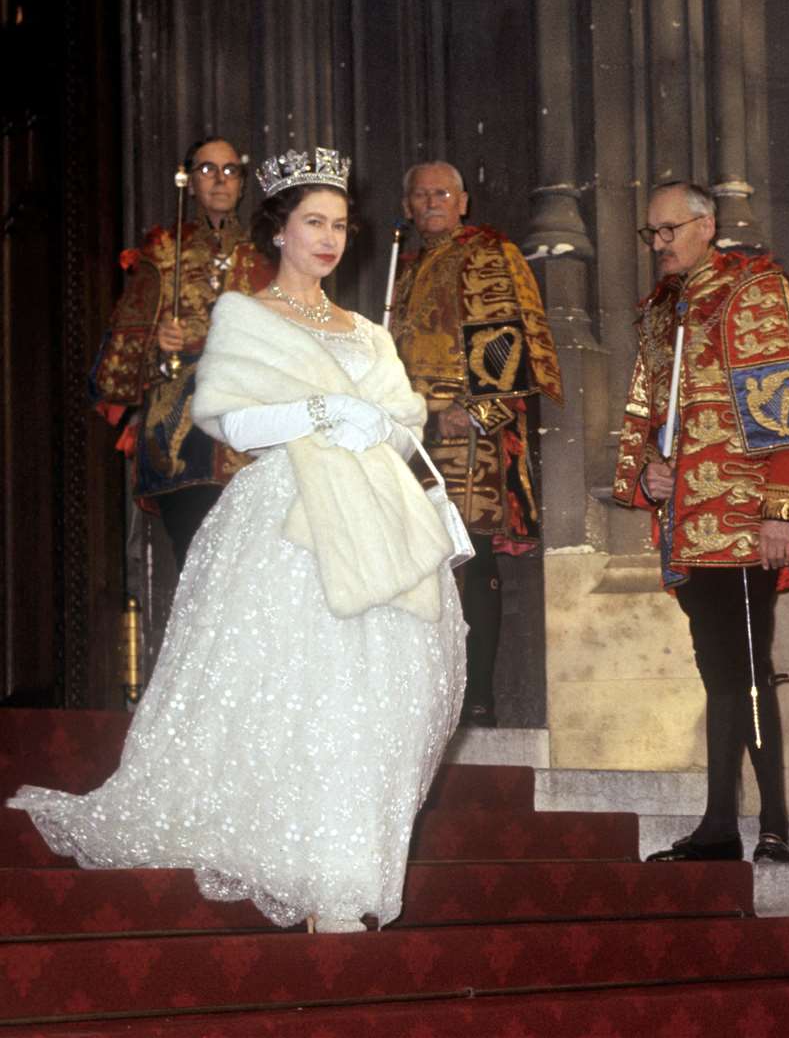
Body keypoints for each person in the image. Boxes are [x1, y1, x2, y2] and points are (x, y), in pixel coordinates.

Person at [9, 146, 467, 934]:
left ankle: (344, 875)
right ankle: (297, 859)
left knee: (369, 702)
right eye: (313, 222)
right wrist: (321, 415)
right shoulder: (245, 314)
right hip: (287, 516)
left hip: (376, 519)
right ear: (280, 231)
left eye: (340, 225)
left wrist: (379, 425)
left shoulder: (368, 330)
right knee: (298, 692)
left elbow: (402, 427)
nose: (328, 238)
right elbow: (225, 415)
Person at [613, 181, 789, 863]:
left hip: (745, 515)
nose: (659, 244)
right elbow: (647, 413)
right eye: (651, 233)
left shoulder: (753, 289)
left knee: (745, 667)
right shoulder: (659, 312)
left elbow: (787, 397)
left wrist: (782, 509)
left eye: (670, 230)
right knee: (717, 670)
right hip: (688, 520)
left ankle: (773, 824)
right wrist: (649, 472)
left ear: (707, 225)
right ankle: (718, 823)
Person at [390, 160, 563, 726]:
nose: (432, 202)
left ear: (463, 202)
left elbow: (508, 342)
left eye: (442, 193)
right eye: (421, 195)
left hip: (468, 435)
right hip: (408, 433)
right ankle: (426, 699)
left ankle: (477, 699)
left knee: (472, 556)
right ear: (408, 205)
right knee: (412, 564)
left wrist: (472, 413)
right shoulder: (406, 269)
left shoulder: (488, 253)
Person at [89, 136, 272, 569]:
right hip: (182, 443)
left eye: (230, 171)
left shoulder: (267, 255)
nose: (219, 180)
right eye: (207, 170)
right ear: (190, 182)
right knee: (196, 566)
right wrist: (156, 346)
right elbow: (114, 367)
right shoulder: (162, 253)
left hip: (249, 436)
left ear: (243, 184)